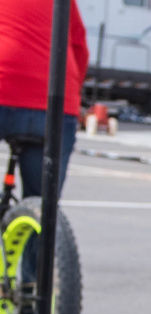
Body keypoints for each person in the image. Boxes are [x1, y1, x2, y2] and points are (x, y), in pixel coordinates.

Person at [0, 0, 89, 200]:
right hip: (55, 100)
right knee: (42, 202)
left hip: (4, 86)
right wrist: (74, 95)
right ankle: (35, 215)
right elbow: (80, 48)